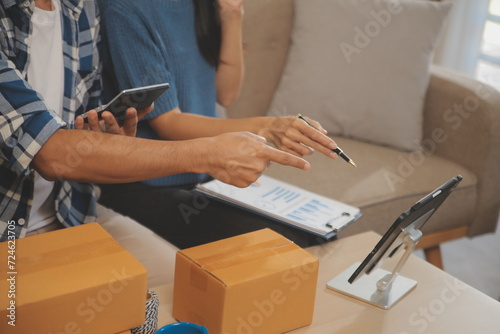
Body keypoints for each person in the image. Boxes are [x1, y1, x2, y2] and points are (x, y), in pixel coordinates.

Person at [0, 0, 314, 286]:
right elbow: (52, 154)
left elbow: (225, 94)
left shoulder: (80, 10)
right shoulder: (121, 9)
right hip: (11, 229)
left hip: (74, 211)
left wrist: (109, 144)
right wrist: (220, 149)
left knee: (183, 293)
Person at [97, 0, 340, 249]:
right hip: (147, 183)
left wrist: (233, 14)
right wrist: (268, 126)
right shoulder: (123, 10)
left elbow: (226, 93)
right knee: (284, 243)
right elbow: (167, 122)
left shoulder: (202, 4)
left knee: (318, 234)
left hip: (207, 175)